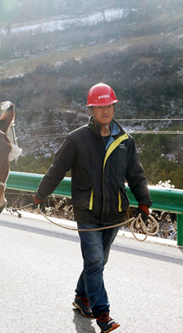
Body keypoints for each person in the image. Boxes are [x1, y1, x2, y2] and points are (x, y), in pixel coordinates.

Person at [33, 82, 152, 333]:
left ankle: (81, 297)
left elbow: (137, 176)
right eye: (100, 106)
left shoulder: (124, 141)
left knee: (97, 262)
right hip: (86, 211)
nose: (105, 110)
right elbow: (56, 170)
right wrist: (40, 196)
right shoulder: (76, 139)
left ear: (114, 106)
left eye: (109, 105)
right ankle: (102, 315)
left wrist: (144, 203)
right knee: (96, 260)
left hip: (115, 212)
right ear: (91, 109)